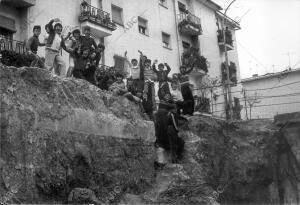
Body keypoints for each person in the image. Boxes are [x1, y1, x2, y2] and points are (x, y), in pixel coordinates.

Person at [139, 50, 156, 120]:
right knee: (145, 96)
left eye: (149, 63)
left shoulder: (152, 69)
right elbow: (141, 63)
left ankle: (152, 111)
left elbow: (155, 76)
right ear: (145, 63)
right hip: (145, 84)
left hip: (151, 85)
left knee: (152, 96)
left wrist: (153, 78)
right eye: (147, 63)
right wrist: (141, 55)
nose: (148, 64)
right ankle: (146, 111)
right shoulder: (143, 68)